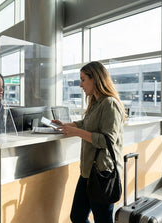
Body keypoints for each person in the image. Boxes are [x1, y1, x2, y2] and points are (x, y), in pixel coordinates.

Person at [53, 61, 126, 223]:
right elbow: (88, 122)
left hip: (102, 172)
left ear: (96, 79)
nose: (80, 85)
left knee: (103, 219)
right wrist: (68, 125)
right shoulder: (95, 103)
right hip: (87, 171)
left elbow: (108, 140)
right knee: (77, 216)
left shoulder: (110, 104)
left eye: (83, 79)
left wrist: (77, 132)